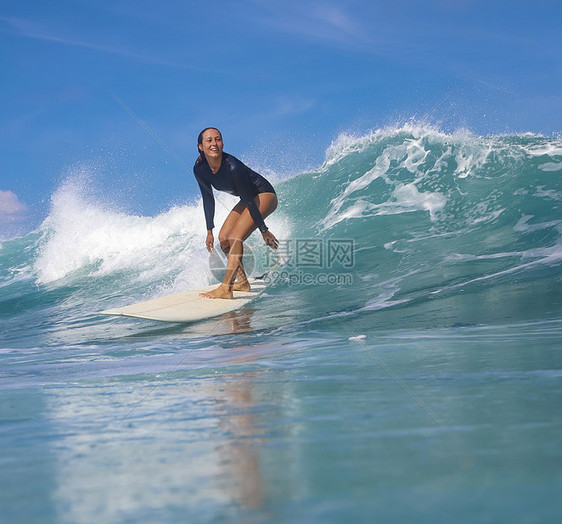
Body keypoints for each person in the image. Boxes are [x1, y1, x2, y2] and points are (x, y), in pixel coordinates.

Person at [194, 127, 279, 299]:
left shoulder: (233, 167)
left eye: (218, 139)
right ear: (200, 146)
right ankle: (242, 282)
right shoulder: (200, 170)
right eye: (209, 140)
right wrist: (209, 230)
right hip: (249, 198)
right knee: (224, 238)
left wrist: (264, 230)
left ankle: (226, 288)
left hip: (264, 195)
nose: (214, 144)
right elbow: (208, 199)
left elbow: (249, 200)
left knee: (235, 237)